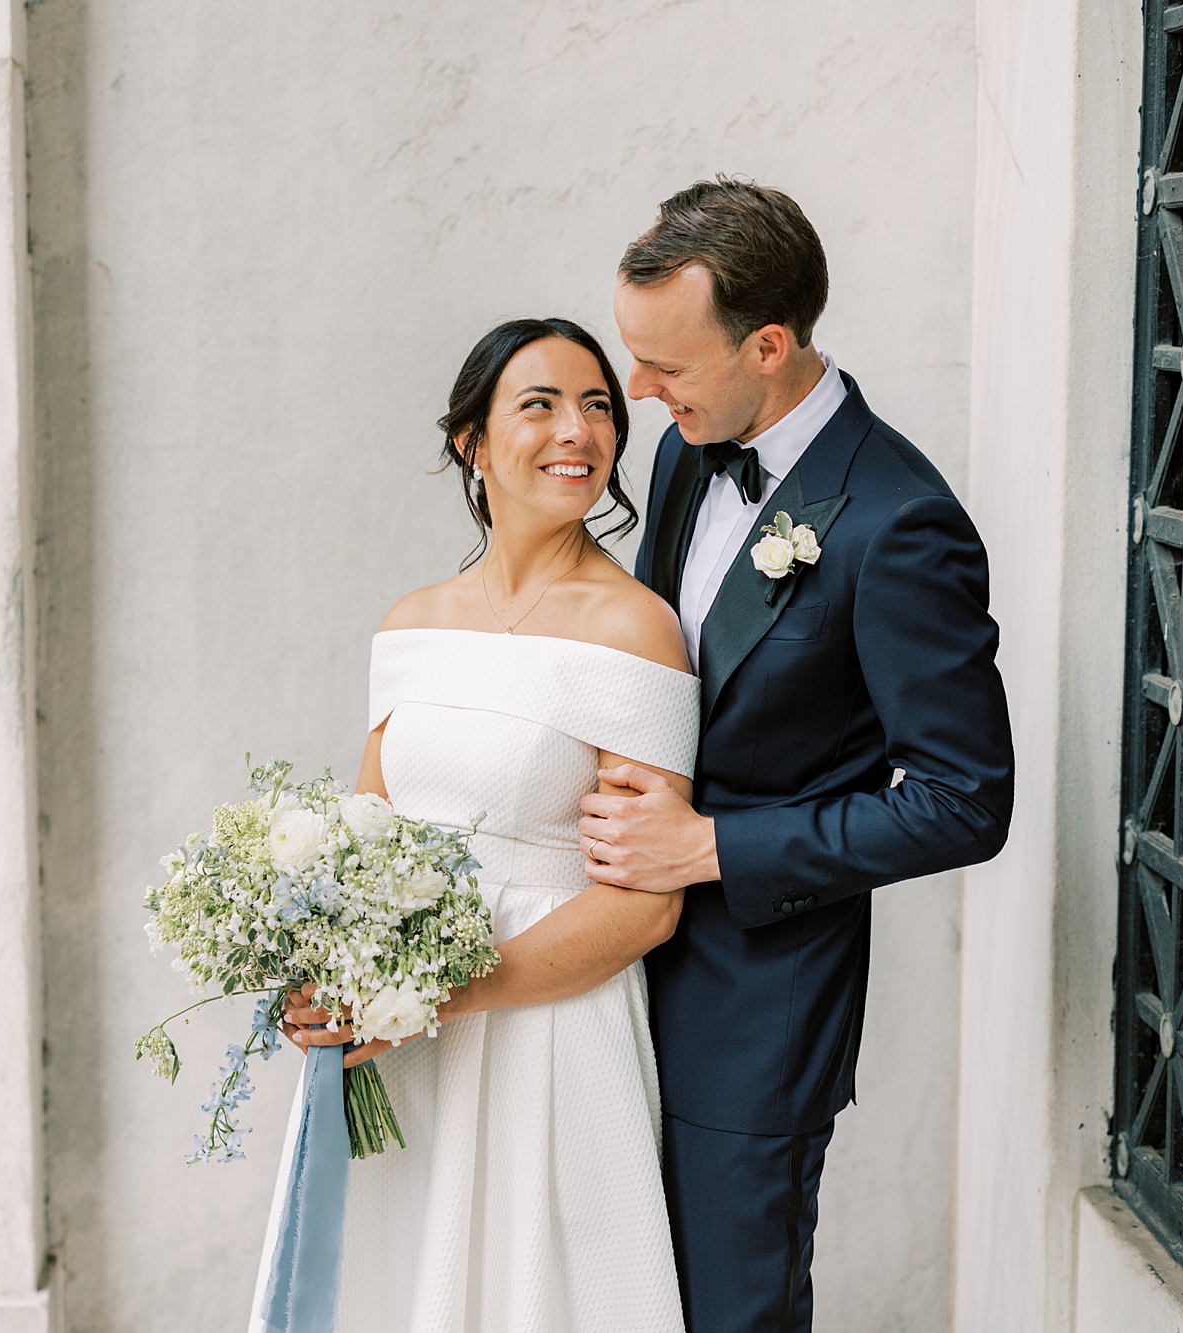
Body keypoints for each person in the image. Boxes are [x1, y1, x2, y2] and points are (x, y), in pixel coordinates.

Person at [578, 177, 1015, 1332]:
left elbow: (961, 801)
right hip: (606, 974)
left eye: (664, 364)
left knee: (729, 1313)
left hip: (753, 1011)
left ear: (766, 344)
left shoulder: (897, 523)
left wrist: (710, 844)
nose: (637, 391)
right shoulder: (684, 453)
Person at [262, 317, 700, 1333]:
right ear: (470, 441)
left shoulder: (634, 627)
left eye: (596, 405)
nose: (577, 431)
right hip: (400, 1048)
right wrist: (322, 987)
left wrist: (435, 997)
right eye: (539, 404)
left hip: (550, 1033)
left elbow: (643, 908)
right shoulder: (411, 624)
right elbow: (359, 844)